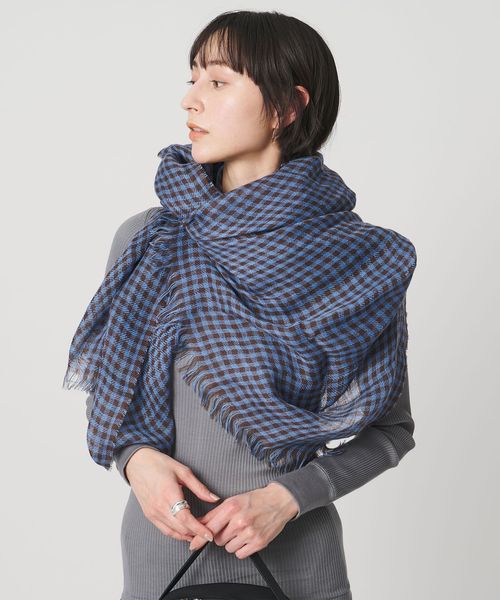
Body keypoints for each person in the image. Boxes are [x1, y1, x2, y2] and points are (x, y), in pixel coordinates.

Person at [75, 10, 417, 600]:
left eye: (217, 81)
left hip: (300, 564)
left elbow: (391, 432)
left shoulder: (358, 261)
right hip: (165, 554)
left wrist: (288, 498)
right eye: (191, 80)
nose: (190, 100)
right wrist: (137, 463)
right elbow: (112, 395)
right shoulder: (150, 240)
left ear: (286, 106)